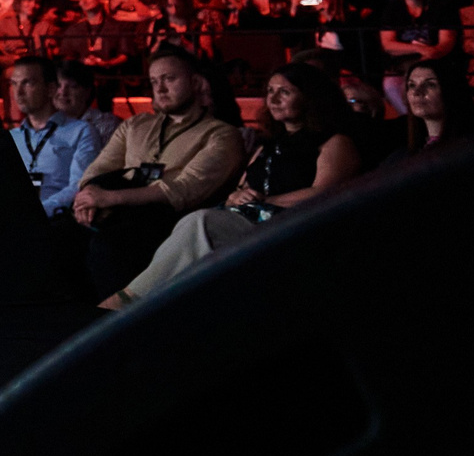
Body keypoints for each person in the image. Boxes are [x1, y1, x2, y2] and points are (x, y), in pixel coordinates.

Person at [106, 61, 363, 309]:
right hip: (251, 219)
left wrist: (264, 202)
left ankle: (130, 300)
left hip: (292, 226)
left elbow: (325, 194)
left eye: (284, 92)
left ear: (309, 97)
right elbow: (239, 189)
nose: (273, 99)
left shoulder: (334, 142)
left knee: (201, 224)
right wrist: (237, 197)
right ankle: (153, 303)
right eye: (270, 92)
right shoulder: (270, 144)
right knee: (189, 223)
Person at [71, 51, 246, 296]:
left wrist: (109, 198)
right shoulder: (136, 125)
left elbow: (184, 190)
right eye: (154, 81)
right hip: (115, 211)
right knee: (58, 236)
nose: (160, 88)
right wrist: (88, 198)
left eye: (169, 79)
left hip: (168, 221)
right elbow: (98, 170)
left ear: (195, 83)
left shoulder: (221, 135)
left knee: (112, 246)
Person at [5, 58, 98, 217]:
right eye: (14, 83)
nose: (18, 92)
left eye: (28, 83)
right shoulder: (11, 137)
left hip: (57, 220)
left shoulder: (80, 131)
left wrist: (38, 212)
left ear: (50, 89)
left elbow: (79, 186)